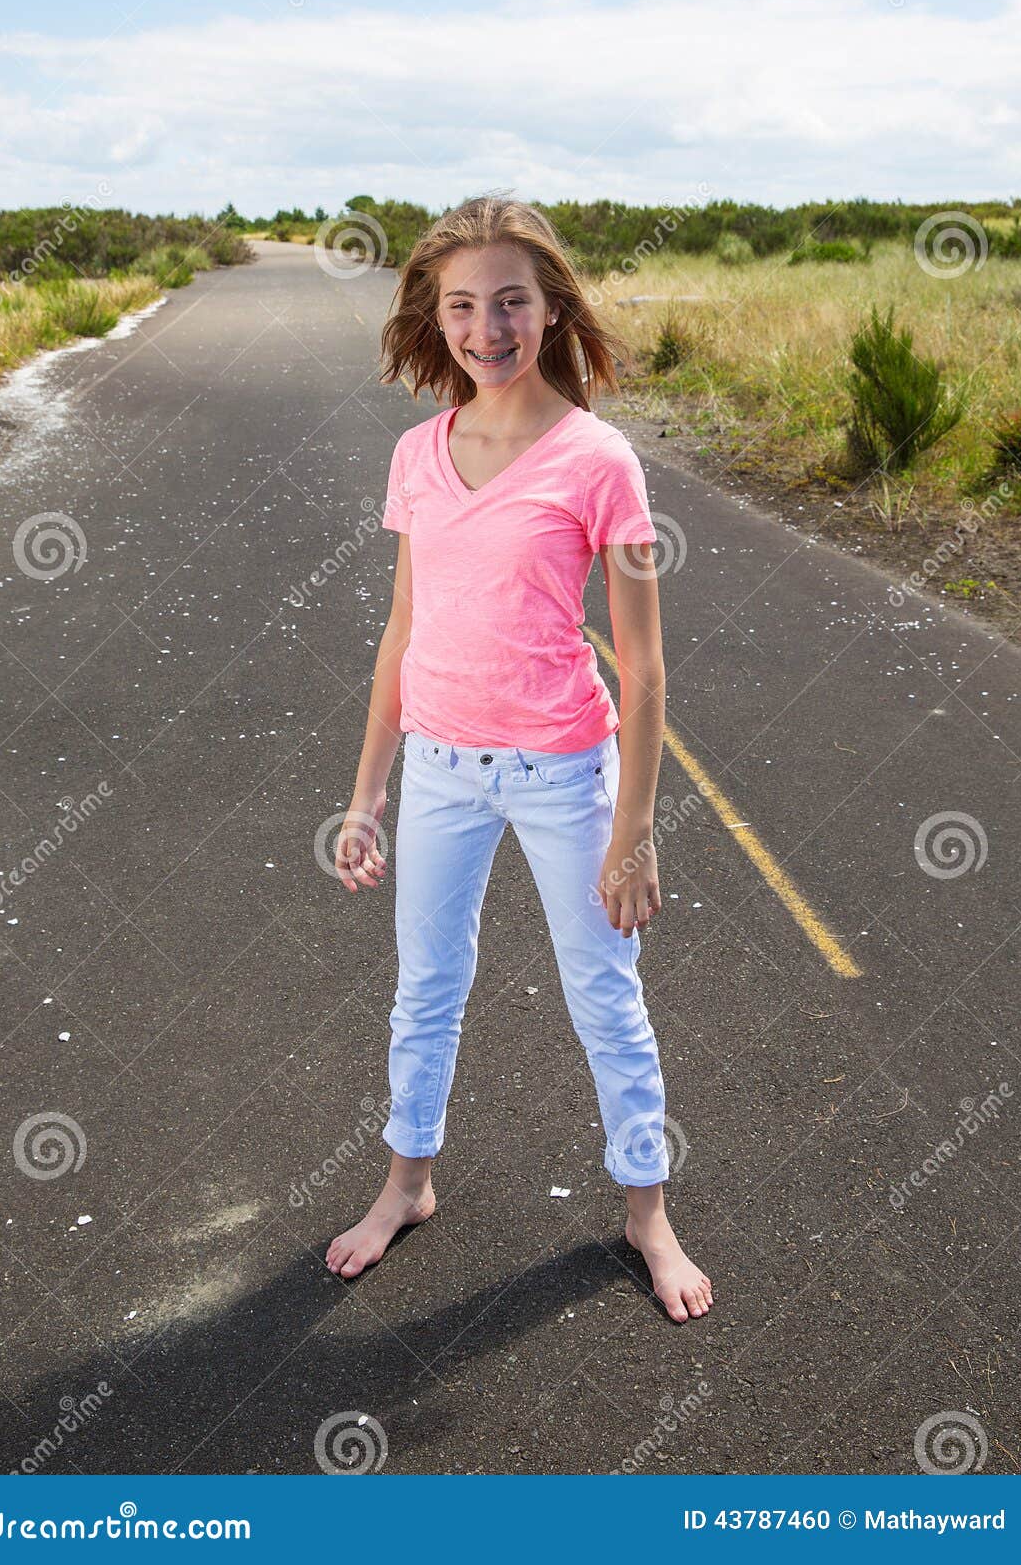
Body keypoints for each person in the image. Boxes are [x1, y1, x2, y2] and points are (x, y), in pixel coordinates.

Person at [327, 194, 712, 1324]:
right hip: (441, 765)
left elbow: (642, 669)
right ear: (432, 316)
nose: (485, 327)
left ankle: (645, 1210)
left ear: (549, 311)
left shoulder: (601, 462)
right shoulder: (416, 452)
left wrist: (632, 828)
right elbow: (403, 629)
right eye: (461, 305)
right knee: (425, 990)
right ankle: (407, 1182)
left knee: (604, 994)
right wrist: (366, 792)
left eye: (509, 301)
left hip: (561, 772)